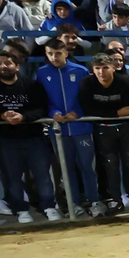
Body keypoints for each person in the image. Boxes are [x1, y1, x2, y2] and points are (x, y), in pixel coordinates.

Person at [0, 50, 58, 223]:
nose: (3, 66)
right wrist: (2, 116)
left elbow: (41, 109)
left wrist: (23, 117)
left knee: (43, 175)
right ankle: (20, 209)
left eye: (8, 63)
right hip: (5, 140)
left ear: (17, 66)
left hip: (34, 138)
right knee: (12, 176)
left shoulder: (32, 85)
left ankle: (49, 206)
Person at [35, 37, 102, 216]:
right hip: (58, 130)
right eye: (50, 53)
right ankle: (74, 204)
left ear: (66, 52)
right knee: (67, 168)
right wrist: (53, 113)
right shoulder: (41, 73)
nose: (54, 57)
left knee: (87, 167)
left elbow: (87, 98)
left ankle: (94, 201)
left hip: (81, 128)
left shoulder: (80, 71)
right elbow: (41, 101)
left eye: (57, 53)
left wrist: (77, 113)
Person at [79, 52, 129, 214]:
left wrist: (110, 112)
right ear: (93, 70)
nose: (101, 72)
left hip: (125, 128)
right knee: (110, 166)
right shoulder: (87, 83)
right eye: (98, 68)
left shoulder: (124, 82)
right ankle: (116, 200)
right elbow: (88, 109)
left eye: (105, 68)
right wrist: (115, 112)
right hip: (103, 129)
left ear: (113, 68)